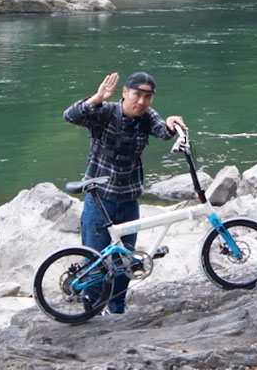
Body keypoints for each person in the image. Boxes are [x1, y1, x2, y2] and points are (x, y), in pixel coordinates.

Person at [63, 70, 183, 314]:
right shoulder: (105, 112)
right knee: (95, 259)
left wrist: (172, 124)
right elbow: (70, 116)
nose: (141, 101)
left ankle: (117, 309)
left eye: (147, 97)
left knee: (125, 261)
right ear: (125, 93)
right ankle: (91, 308)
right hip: (100, 198)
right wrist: (96, 99)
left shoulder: (147, 117)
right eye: (137, 95)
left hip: (129, 198)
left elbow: (162, 130)